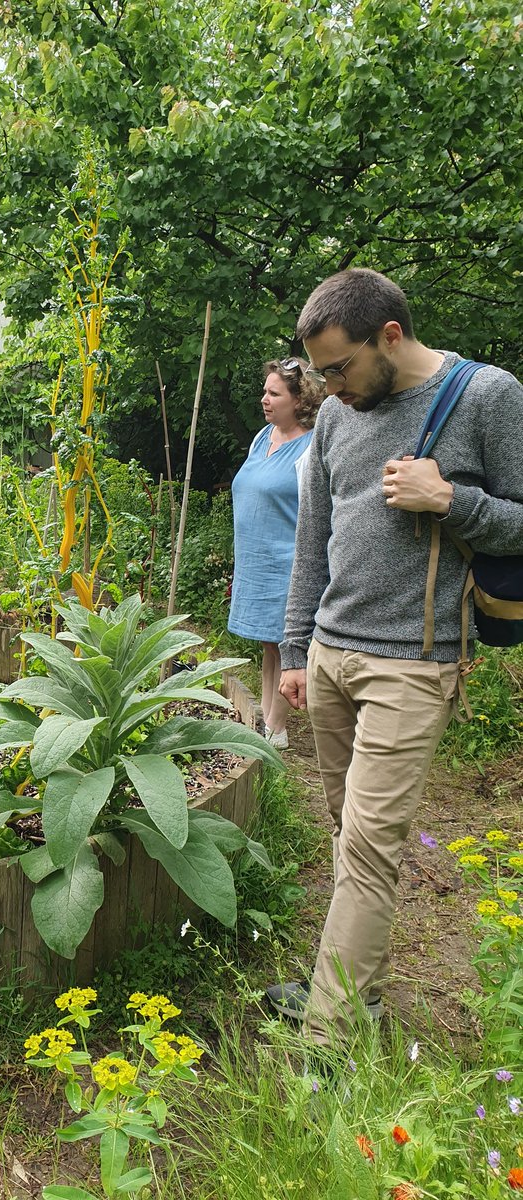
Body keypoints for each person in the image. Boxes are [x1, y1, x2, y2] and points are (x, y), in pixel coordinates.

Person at [269, 268, 523, 1047]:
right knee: (350, 838)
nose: (328, 390)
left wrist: (454, 501)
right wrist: (295, 649)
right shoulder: (341, 418)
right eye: (316, 374)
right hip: (334, 659)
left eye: (338, 368)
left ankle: (328, 1041)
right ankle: (352, 994)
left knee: (370, 850)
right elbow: (315, 539)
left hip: (414, 665)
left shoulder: (488, 397)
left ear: (389, 336)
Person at [228, 359, 324, 749]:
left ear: (299, 399)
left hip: (288, 562)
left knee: (288, 644)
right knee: (270, 645)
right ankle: (266, 723)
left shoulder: (311, 446)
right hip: (257, 561)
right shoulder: (261, 438)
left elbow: (319, 509)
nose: (264, 399)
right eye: (265, 391)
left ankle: (276, 730)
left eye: (274, 393)